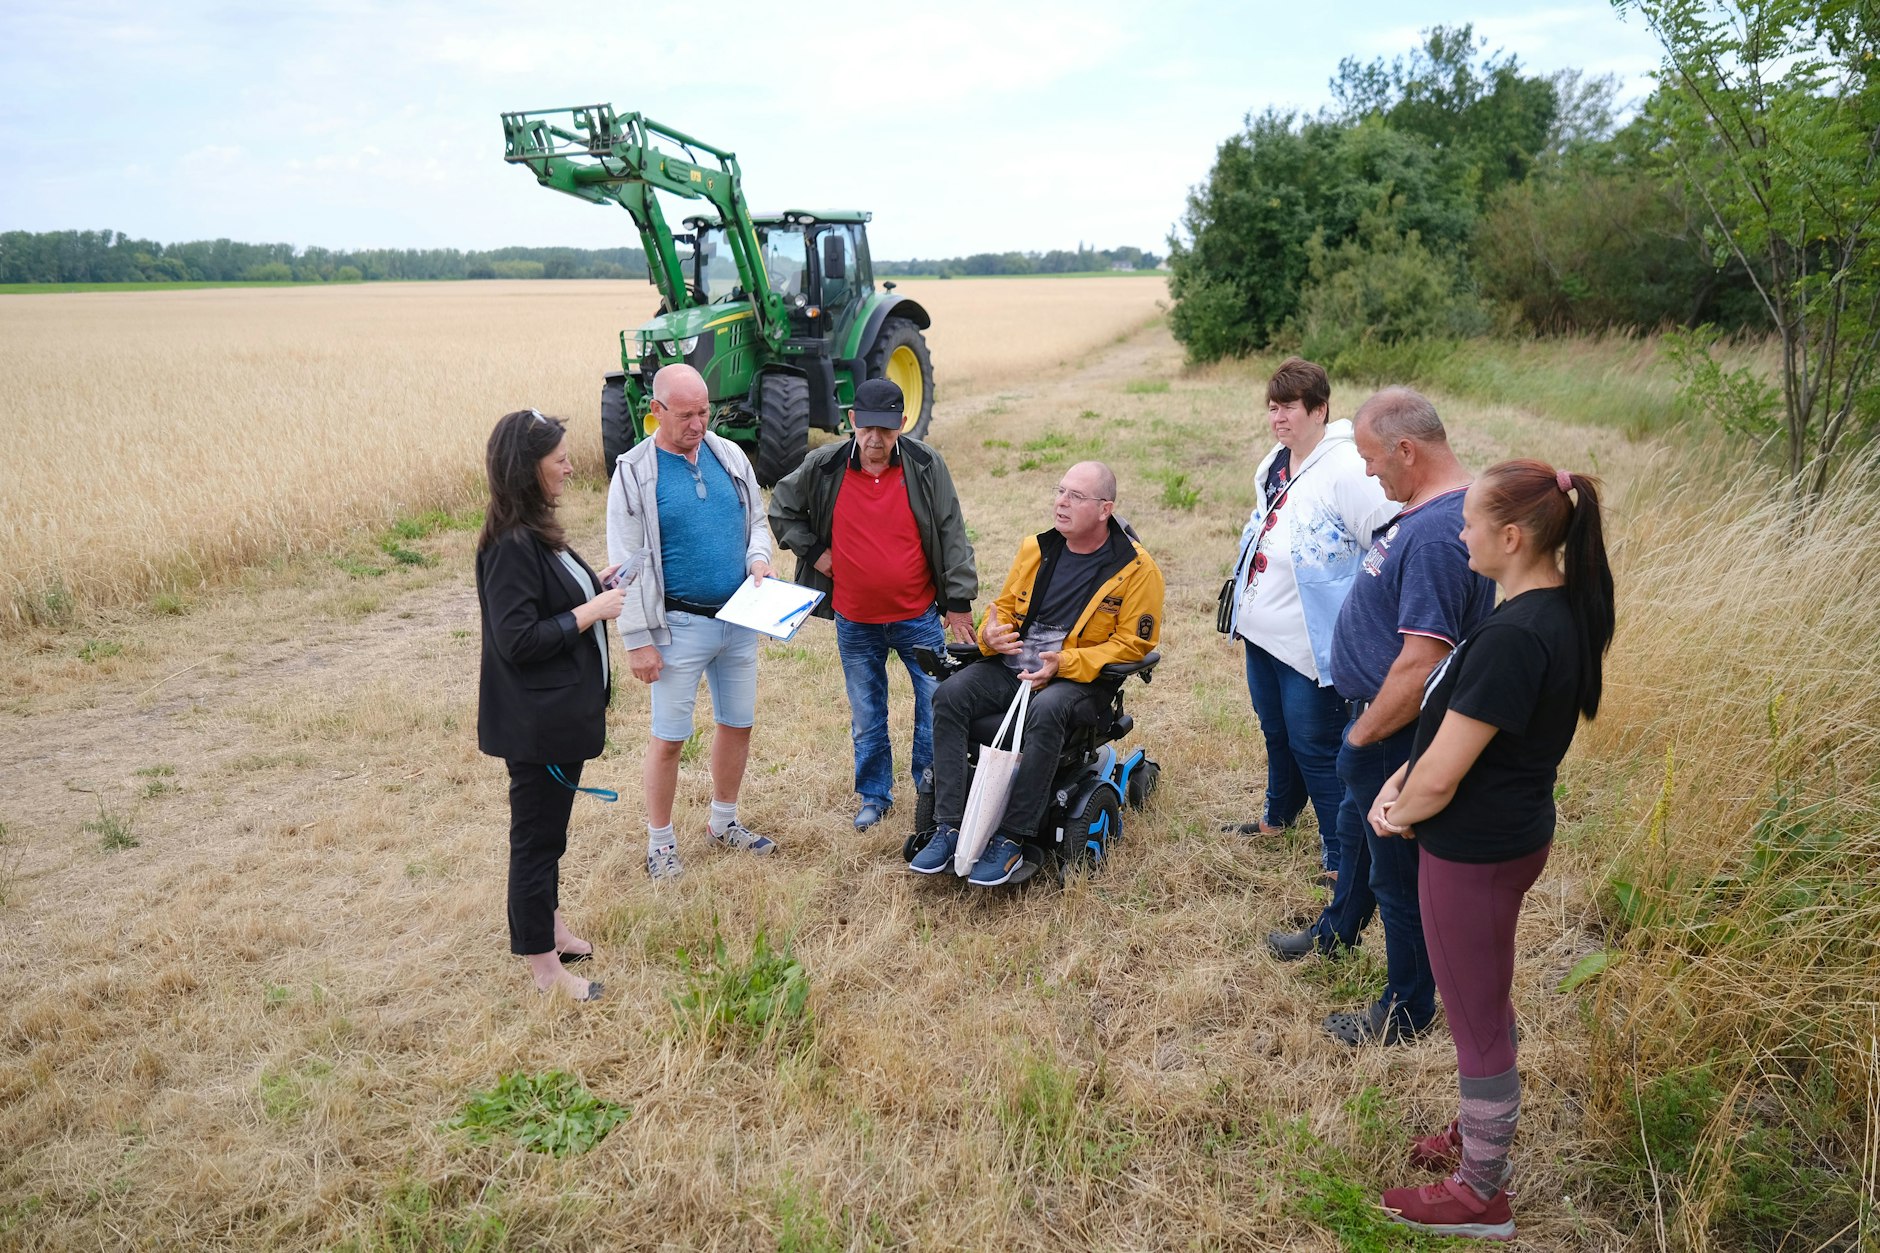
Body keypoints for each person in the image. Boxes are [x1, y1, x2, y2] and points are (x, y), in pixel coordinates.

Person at [1369, 461, 1615, 1241]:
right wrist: (1406, 776)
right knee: (1486, 993)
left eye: (1471, 522)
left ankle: (1481, 1194)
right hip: (1509, 835)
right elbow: (1454, 727)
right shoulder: (1553, 609)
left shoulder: (1516, 633)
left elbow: (1445, 772)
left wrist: (1398, 810)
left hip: (1473, 850)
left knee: (1475, 1017)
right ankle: (1478, 1130)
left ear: (1511, 537)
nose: (1461, 533)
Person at [1263, 388, 1495, 1048]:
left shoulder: (1436, 538)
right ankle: (1337, 929)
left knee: (1398, 875)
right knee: (1354, 832)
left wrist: (1362, 736)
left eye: (1371, 458)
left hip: (1397, 731)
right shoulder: (1430, 512)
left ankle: (1406, 1006)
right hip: (1377, 722)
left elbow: (1423, 660)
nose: (1367, 472)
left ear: (1407, 449)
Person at [912, 461, 1164, 885]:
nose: (1061, 502)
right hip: (1016, 667)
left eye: (1075, 496)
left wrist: (1064, 664)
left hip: (1079, 681)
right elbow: (1005, 610)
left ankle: (1012, 838)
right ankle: (948, 826)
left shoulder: (1137, 571)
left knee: (1046, 710)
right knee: (949, 695)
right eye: (1060, 491)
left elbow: (1133, 644)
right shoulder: (1037, 548)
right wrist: (992, 635)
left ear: (1106, 509)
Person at [768, 377, 978, 832]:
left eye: (886, 429)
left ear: (901, 425)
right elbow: (781, 508)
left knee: (936, 704)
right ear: (852, 423)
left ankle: (930, 788)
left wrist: (958, 601)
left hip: (918, 616)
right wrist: (815, 552)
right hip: (855, 619)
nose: (875, 440)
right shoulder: (824, 466)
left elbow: (951, 531)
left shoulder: (926, 465)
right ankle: (874, 796)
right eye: (867, 429)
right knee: (867, 715)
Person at [1224, 358, 1393, 886]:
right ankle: (1277, 817)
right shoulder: (1275, 462)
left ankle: (1339, 857)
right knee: (1277, 734)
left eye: (1290, 407)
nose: (1279, 418)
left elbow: (1386, 542)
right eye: (1273, 407)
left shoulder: (1347, 470)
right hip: (1262, 633)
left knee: (1317, 748)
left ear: (1320, 409)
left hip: (1311, 645)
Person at [606, 364, 777, 880]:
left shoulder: (730, 455)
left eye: (705, 412)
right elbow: (625, 561)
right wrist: (638, 641)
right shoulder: (634, 473)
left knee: (738, 723)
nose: (698, 424)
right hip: (677, 627)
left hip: (739, 620)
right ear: (655, 411)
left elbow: (757, 522)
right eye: (685, 415)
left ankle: (724, 822)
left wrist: (758, 559)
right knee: (670, 737)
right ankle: (660, 843)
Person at [475, 408, 621, 1002]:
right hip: (535, 726)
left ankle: (549, 925)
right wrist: (591, 612)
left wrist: (596, 586)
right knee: (535, 840)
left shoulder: (538, 532)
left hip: (558, 719)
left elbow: (549, 604)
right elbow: (518, 639)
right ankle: (543, 968)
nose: (567, 464)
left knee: (551, 836)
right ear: (526, 466)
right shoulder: (511, 544)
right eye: (557, 456)